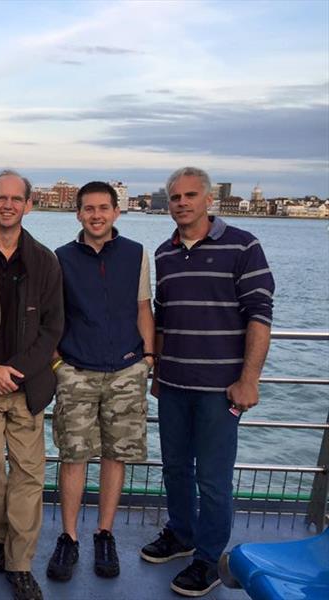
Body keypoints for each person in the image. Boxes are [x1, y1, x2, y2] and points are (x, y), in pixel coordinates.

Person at [140, 167, 274, 597]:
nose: (181, 202)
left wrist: (248, 379)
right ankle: (181, 534)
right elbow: (163, 317)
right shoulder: (164, 252)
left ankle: (208, 558)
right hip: (174, 383)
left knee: (214, 478)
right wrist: (158, 372)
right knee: (175, 468)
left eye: (190, 195)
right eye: (175, 196)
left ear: (209, 200)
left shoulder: (243, 246)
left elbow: (259, 316)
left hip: (221, 389)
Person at [47, 182, 155, 583]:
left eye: (103, 208)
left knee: (115, 455)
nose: (96, 215)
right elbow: (52, 317)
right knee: (73, 457)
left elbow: (144, 307)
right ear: (78, 214)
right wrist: (58, 364)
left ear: (116, 212)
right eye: (88, 209)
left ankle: (104, 533)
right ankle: (69, 535)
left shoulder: (136, 254)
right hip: (76, 370)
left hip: (127, 370)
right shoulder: (61, 259)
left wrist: (148, 359)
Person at [0, 170, 63, 600]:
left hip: (27, 387)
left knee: (28, 474)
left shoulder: (45, 261)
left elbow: (53, 326)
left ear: (29, 205)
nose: (7, 205)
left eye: (15, 199)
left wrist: (16, 371)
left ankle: (19, 561)